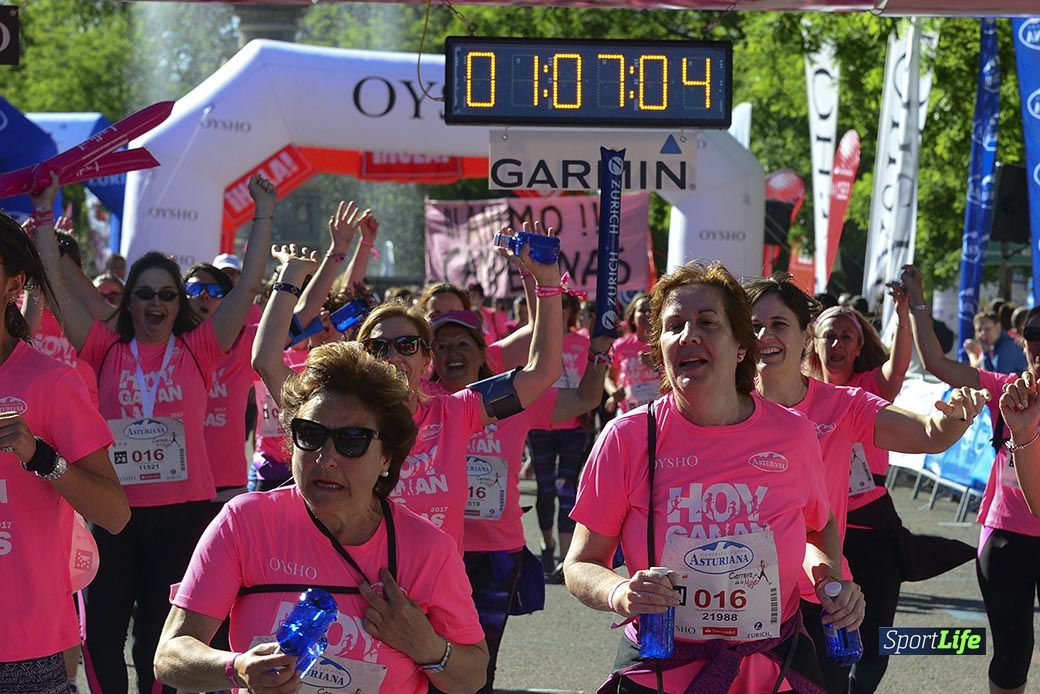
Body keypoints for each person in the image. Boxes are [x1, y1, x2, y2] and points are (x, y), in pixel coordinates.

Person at [564, 261, 863, 694]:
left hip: (771, 667)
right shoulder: (627, 438)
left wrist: (831, 580)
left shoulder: (793, 433)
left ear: (741, 345)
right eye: (674, 326)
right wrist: (621, 592)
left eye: (707, 322)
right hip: (663, 666)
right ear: (660, 348)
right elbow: (581, 564)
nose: (688, 336)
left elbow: (819, 526)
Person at [32, 172, 275, 693]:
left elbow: (248, 287)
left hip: (182, 515)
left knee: (158, 642)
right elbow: (53, 287)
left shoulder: (199, 349)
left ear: (178, 303)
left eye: (166, 294)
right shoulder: (104, 348)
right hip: (113, 511)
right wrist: (45, 216)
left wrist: (263, 213)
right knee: (101, 634)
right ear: (130, 303)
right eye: (144, 294)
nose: (155, 303)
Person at [154, 341, 489, 693]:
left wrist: (427, 647)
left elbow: (472, 677)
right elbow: (170, 655)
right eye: (311, 435)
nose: (326, 458)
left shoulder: (429, 550)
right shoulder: (246, 522)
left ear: (386, 458)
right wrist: (236, 668)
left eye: (352, 440)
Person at [253, 225, 563, 552]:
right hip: (359, 579)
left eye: (406, 345)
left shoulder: (456, 411)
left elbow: (543, 372)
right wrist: (290, 277)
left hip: (438, 580)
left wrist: (547, 282)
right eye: (378, 347)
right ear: (363, 356)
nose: (392, 356)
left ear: (427, 357)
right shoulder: (339, 417)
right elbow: (266, 362)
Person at [746, 275, 985, 694]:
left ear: (804, 334)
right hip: (737, 594)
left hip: (820, 593)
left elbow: (928, 433)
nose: (764, 335)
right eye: (753, 326)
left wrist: (953, 420)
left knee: (858, 665)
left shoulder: (843, 403)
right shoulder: (725, 408)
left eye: (778, 324)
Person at [427, 308, 612, 691]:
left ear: (482, 353)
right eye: (441, 346)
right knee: (429, 661)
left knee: (481, 662)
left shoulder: (509, 397)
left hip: (496, 554)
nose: (452, 353)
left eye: (462, 344)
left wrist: (597, 353)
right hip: (432, 553)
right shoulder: (422, 403)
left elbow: (585, 397)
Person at [0, 210, 130, 693]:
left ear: (14, 284)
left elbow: (114, 514)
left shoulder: (50, 381)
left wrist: (41, 457)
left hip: (22, 649)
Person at [902, 264, 1040, 694]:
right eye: (1034, 334)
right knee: (1013, 655)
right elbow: (937, 364)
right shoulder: (1006, 389)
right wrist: (917, 302)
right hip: (1007, 537)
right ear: (1022, 341)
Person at [527, 291, 594, 579]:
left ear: (572, 308)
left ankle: (564, 558)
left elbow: (594, 379)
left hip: (574, 425)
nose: (559, 309)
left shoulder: (583, 341)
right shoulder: (536, 339)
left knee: (567, 488)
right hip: (540, 424)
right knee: (546, 489)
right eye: (555, 303)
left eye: (564, 304)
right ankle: (547, 545)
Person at [607, 293, 660, 413]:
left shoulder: (664, 344)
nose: (647, 314)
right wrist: (614, 392)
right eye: (642, 310)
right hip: (628, 411)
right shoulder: (620, 345)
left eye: (651, 310)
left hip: (659, 412)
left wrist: (655, 367)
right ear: (632, 317)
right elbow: (609, 377)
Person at [965, 309, 1027, 375]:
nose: (983, 333)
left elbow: (992, 379)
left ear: (998, 327)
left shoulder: (1007, 347)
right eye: (979, 330)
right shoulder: (995, 346)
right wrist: (985, 351)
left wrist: (973, 355)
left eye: (987, 329)